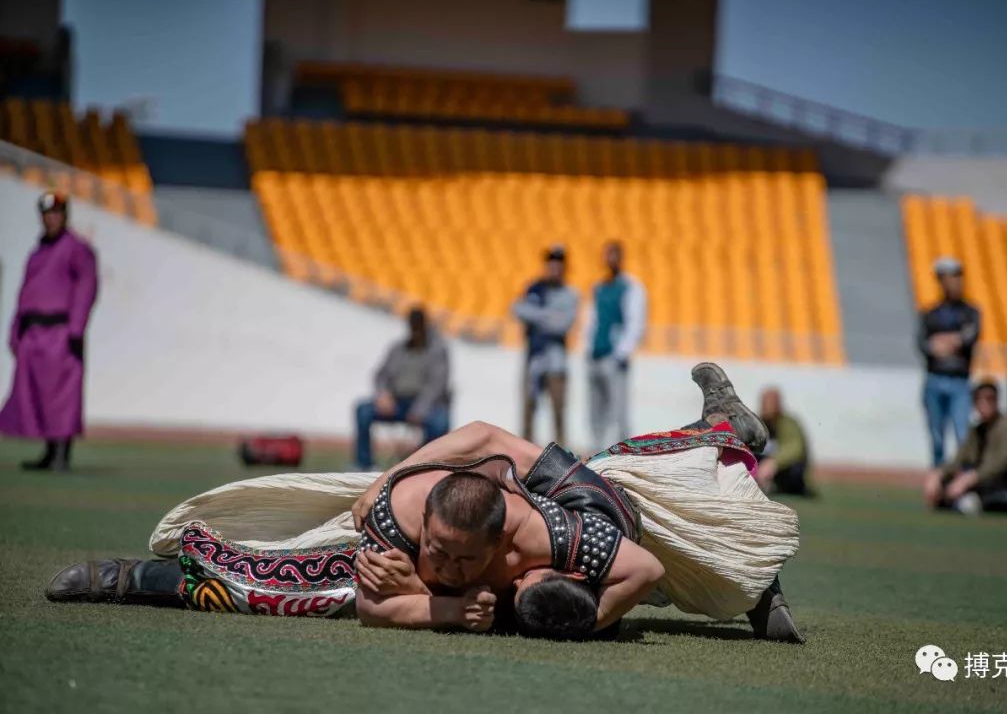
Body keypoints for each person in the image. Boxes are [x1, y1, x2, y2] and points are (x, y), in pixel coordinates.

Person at [45, 363, 801, 643]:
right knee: (620, 478)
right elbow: (478, 436)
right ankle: (722, 439)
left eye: (456, 560)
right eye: (433, 552)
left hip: (585, 520)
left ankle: (731, 469)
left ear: (505, 550)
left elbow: (631, 575)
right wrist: (387, 478)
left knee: (667, 527)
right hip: (553, 492)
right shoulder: (400, 514)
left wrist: (498, 614)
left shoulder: (561, 539)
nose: (438, 563)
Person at [0, 191, 98, 471]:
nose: (50, 219)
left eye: (55, 213)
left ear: (64, 216)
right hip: (34, 333)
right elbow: (25, 293)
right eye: (46, 214)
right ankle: (48, 450)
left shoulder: (77, 249)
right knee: (37, 395)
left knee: (62, 397)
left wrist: (75, 327)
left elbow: (87, 286)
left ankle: (61, 454)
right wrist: (16, 329)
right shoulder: (38, 251)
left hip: (61, 332)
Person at [922, 379, 1007, 518]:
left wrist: (968, 480)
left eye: (989, 399)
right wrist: (938, 474)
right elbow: (959, 460)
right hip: (994, 486)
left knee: (976, 501)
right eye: (979, 399)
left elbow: (998, 465)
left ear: (997, 401)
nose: (984, 403)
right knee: (947, 494)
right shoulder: (978, 430)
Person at [354, 306, 450, 469]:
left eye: (419, 325)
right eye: (413, 325)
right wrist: (383, 395)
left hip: (424, 406)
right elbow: (381, 375)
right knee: (363, 410)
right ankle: (364, 464)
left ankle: (425, 464)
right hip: (395, 404)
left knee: (440, 422)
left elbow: (437, 385)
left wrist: (420, 409)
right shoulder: (397, 348)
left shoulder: (438, 350)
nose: (415, 329)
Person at [581, 241, 647, 450]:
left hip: (614, 358)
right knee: (596, 407)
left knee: (619, 408)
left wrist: (621, 352)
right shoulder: (599, 286)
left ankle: (623, 450)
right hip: (596, 355)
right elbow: (590, 320)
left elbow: (635, 321)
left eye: (613, 255)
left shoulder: (630, 287)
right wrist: (588, 347)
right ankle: (597, 448)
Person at [917, 257, 980, 467]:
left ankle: (962, 484)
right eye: (945, 278)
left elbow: (968, 338)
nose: (951, 283)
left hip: (959, 382)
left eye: (954, 277)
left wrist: (945, 342)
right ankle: (939, 483)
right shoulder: (930, 313)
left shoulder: (971, 312)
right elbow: (924, 344)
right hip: (934, 379)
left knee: (962, 436)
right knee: (937, 439)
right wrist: (953, 341)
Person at [512, 246, 578, 443]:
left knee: (558, 410)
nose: (554, 267)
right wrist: (548, 315)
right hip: (533, 358)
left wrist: (536, 316)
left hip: (556, 363)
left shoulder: (570, 294)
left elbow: (563, 325)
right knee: (528, 409)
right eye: (551, 262)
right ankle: (525, 455)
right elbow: (516, 309)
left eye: (558, 263)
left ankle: (560, 458)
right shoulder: (534, 288)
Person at [756, 387, 813, 496]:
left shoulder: (789, 424)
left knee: (795, 470)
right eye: (765, 402)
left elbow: (796, 449)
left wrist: (773, 463)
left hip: (783, 469)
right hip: (763, 466)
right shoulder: (757, 423)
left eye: (772, 402)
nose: (768, 406)